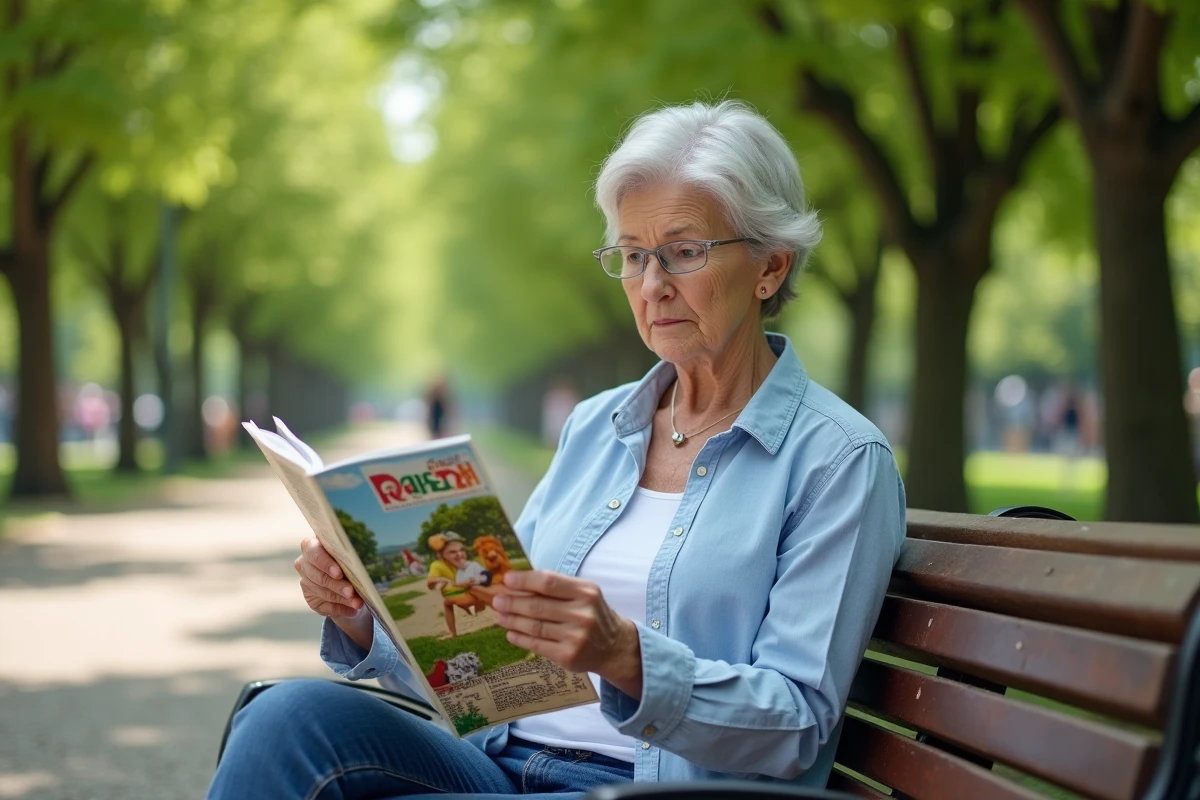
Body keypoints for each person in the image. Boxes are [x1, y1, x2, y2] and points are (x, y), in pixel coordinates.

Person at [210, 100, 907, 800]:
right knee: (284, 718)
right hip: (506, 761)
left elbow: (797, 725)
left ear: (770, 267)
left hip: (654, 787)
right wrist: (361, 614)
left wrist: (626, 657)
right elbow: (493, 662)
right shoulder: (596, 427)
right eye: (633, 255)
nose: (652, 284)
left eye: (685, 251)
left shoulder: (838, 460)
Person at [426, 532, 487, 636]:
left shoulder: (466, 564)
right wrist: (442, 580)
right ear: (441, 555)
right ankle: (452, 632)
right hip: (460, 595)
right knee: (448, 602)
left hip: (471, 595)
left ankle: (453, 631)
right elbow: (430, 583)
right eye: (452, 552)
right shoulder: (437, 565)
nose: (460, 554)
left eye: (462, 550)